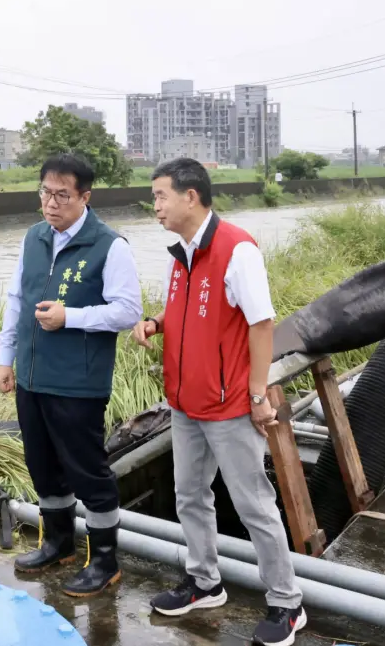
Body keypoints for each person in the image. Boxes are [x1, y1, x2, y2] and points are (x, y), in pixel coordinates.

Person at [132, 157, 306, 646]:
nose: (156, 207)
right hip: (186, 403)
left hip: (230, 406)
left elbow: (261, 324)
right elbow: (189, 312)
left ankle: (287, 604)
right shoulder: (181, 252)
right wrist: (156, 322)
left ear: (191, 196)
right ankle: (204, 582)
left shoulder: (237, 249)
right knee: (189, 494)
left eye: (160, 196)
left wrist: (256, 396)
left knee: (254, 504)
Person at [0, 152, 143, 597]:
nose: (51, 203)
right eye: (45, 192)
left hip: (77, 382)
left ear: (85, 197)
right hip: (32, 378)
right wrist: (6, 358)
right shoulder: (34, 238)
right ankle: (58, 544)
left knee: (88, 472)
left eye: (62, 195)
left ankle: (104, 560)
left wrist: (70, 317)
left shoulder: (109, 245)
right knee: (43, 468)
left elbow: (128, 310)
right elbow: (16, 300)